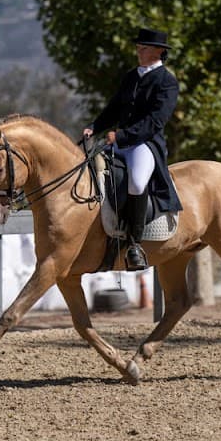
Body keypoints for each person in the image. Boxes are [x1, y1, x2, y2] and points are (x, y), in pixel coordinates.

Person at [83, 27, 183, 271]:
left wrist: (123, 135)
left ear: (159, 51)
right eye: (138, 47)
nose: (139, 50)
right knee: (93, 172)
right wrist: (95, 126)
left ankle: (134, 245)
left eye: (144, 47)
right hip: (119, 141)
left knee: (137, 182)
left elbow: (155, 121)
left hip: (145, 144)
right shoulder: (131, 76)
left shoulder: (167, 82)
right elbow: (114, 108)